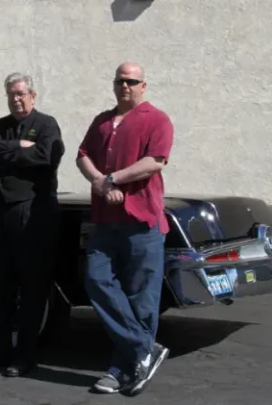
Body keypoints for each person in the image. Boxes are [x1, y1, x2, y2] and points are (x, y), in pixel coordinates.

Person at [76, 62, 174, 395]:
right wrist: (100, 183)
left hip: (141, 223)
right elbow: (83, 155)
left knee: (140, 300)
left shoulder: (156, 119)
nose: (124, 86)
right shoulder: (102, 121)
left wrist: (114, 178)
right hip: (105, 221)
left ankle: (122, 370)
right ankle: (144, 348)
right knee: (96, 279)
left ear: (143, 85)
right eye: (119, 80)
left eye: (131, 81)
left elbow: (155, 161)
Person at [0, 73, 64, 377]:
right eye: (11, 94)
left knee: (32, 288)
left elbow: (46, 157)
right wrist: (18, 147)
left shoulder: (47, 124)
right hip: (0, 213)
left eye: (21, 93)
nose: (16, 98)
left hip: (33, 214)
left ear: (33, 95)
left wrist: (7, 156)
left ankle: (24, 356)